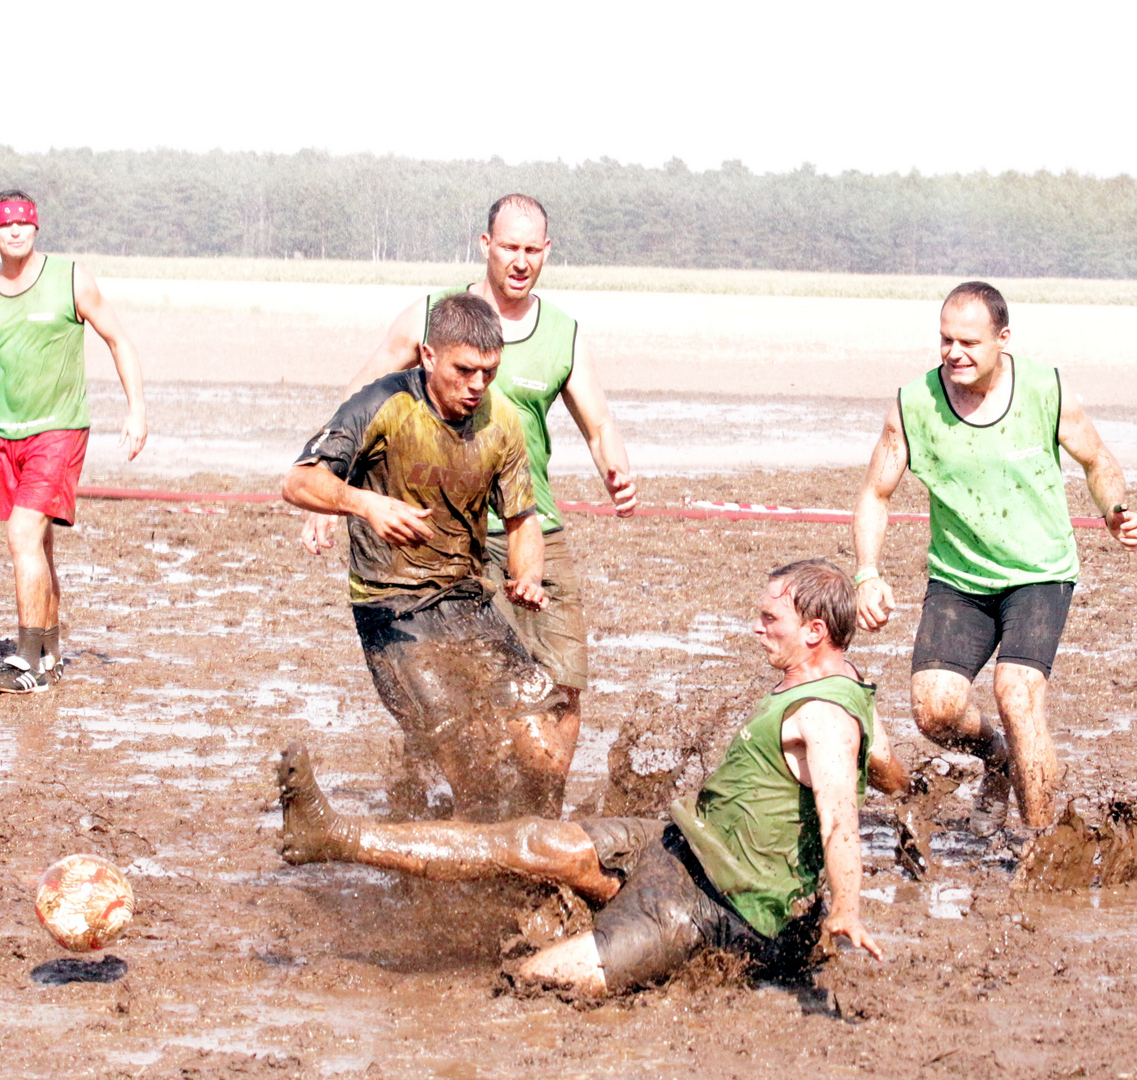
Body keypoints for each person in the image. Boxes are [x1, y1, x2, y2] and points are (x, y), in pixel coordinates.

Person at [276, 559, 892, 996]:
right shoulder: (843, 681)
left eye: (769, 619)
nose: (756, 628)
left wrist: (846, 908)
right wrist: (905, 787)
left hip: (718, 906)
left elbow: (841, 820)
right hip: (676, 844)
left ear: (814, 631)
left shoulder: (826, 717)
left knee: (543, 978)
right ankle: (332, 837)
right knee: (527, 841)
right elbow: (885, 763)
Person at [301, 194, 636, 759]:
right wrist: (331, 500)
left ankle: (539, 813)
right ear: (486, 245)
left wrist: (616, 468)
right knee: (456, 692)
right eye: (510, 247)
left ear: (547, 252)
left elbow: (598, 423)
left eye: (533, 249)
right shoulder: (435, 315)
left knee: (562, 686)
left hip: (532, 524)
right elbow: (357, 404)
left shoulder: (562, 333)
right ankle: (444, 798)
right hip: (445, 533)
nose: (521, 260)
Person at [852, 281, 1137, 835]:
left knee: (1016, 692)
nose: (954, 353)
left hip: (1039, 573)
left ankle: (1039, 845)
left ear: (1002, 339)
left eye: (969, 342)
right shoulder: (914, 404)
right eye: (945, 340)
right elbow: (875, 494)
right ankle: (1001, 758)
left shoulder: (1044, 389)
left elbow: (1098, 460)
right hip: (960, 577)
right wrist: (868, 572)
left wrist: (1114, 508)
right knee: (934, 709)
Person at [281, 291, 577, 822]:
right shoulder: (380, 405)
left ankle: (522, 844)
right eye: (465, 371)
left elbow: (522, 520)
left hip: (467, 602)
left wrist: (527, 574)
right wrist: (364, 503)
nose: (477, 386)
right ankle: (450, 888)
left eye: (489, 372)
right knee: (475, 760)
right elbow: (298, 480)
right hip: (393, 609)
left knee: (542, 751)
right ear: (428, 356)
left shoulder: (502, 421)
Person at [0, 189, 148, 694]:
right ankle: (49, 649)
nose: (16, 230)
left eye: (24, 221)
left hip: (60, 430)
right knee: (40, 544)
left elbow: (119, 339)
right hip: (8, 435)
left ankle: (25, 663)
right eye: (6, 224)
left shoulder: (70, 278)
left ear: (37, 226)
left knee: (22, 535)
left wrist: (136, 410)